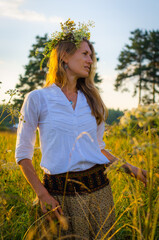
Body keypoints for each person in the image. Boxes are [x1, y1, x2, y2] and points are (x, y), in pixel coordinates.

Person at [15, 19, 147, 240]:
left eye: (91, 56)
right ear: (64, 56)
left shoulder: (93, 100)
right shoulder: (37, 99)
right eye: (85, 54)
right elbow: (22, 154)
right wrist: (42, 194)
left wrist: (130, 168)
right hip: (59, 197)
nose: (91, 60)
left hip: (100, 192)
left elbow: (98, 149)